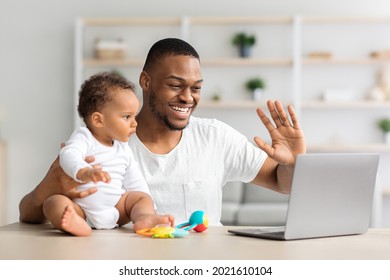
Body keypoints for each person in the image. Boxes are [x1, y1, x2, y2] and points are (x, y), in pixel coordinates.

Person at [19, 38, 305, 226]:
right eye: (175, 85)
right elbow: (28, 214)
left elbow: (284, 184)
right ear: (145, 81)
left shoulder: (216, 137)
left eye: (196, 88)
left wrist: (292, 163)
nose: (188, 97)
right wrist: (48, 187)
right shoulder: (101, 142)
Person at [41, 72, 173, 236]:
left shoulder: (123, 148)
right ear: (98, 120)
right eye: (127, 117)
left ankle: (144, 219)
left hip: (116, 209)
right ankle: (76, 225)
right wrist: (84, 171)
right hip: (82, 209)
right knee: (53, 203)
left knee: (140, 197)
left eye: (134, 116)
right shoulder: (85, 137)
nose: (134, 123)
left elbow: (135, 180)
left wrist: (149, 208)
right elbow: (68, 154)